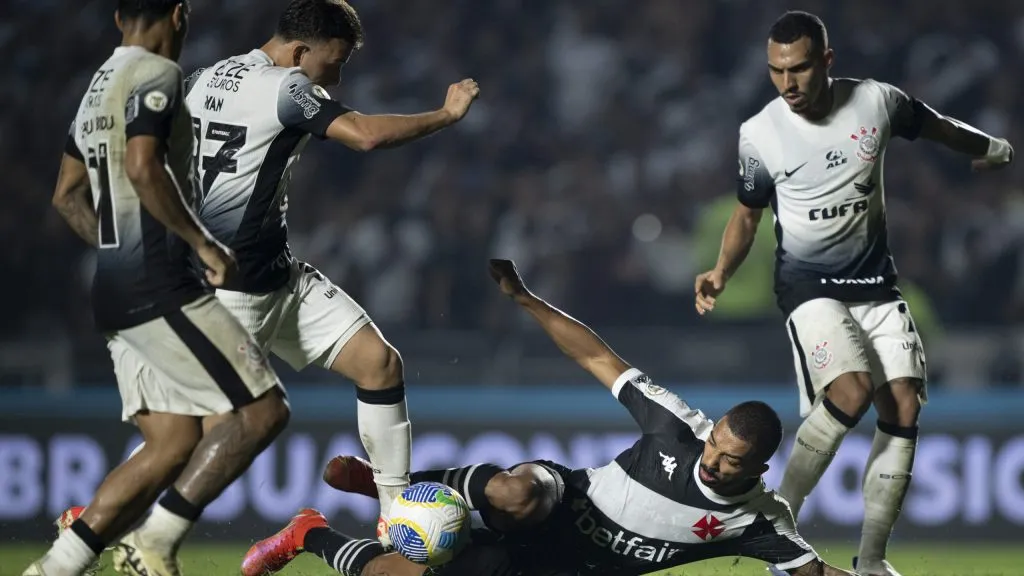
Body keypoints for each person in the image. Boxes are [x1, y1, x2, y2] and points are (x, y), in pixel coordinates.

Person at [240, 259, 856, 576]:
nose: (714, 462)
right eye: (716, 444)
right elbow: (596, 355)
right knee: (515, 493)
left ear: (761, 467)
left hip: (555, 567)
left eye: (730, 461)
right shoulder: (677, 428)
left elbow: (814, 571)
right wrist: (526, 299)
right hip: (561, 496)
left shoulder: (759, 519)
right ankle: (398, 491)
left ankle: (307, 533)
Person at [693, 11, 1014, 576]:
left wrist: (989, 147)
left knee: (906, 404)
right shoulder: (760, 133)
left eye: (798, 69)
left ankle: (870, 560)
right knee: (853, 387)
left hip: (876, 286)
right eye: (776, 71)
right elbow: (747, 216)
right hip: (807, 288)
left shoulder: (876, 102)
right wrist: (721, 271)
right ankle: (776, 529)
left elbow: (937, 125)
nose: (787, 83)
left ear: (827, 61)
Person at [182, 0, 480, 538]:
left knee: (380, 365)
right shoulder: (287, 86)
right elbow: (365, 134)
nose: (337, 78)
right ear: (300, 51)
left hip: (277, 276)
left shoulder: (203, 77)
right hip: (232, 296)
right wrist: (446, 115)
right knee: (206, 446)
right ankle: (101, 522)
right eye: (335, 62)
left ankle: (395, 522)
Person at [27, 1, 291, 575]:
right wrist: (198, 244)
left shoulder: (98, 85)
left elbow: (65, 194)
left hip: (116, 291)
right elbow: (146, 166)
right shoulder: (158, 73)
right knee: (264, 410)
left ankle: (54, 569)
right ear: (179, 14)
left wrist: (116, 252)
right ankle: (154, 543)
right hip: (162, 287)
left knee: (171, 444)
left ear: (119, 15)